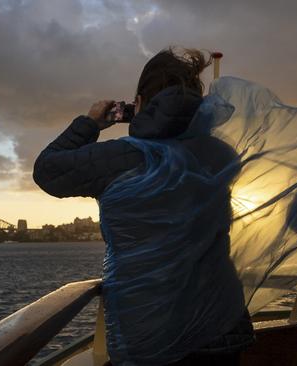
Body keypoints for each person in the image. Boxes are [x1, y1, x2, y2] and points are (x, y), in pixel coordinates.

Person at [33, 48, 254, 365]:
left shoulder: (118, 158)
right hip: (222, 323)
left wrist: (90, 123)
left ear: (138, 104)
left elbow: (47, 171)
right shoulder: (221, 154)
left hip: (151, 329)